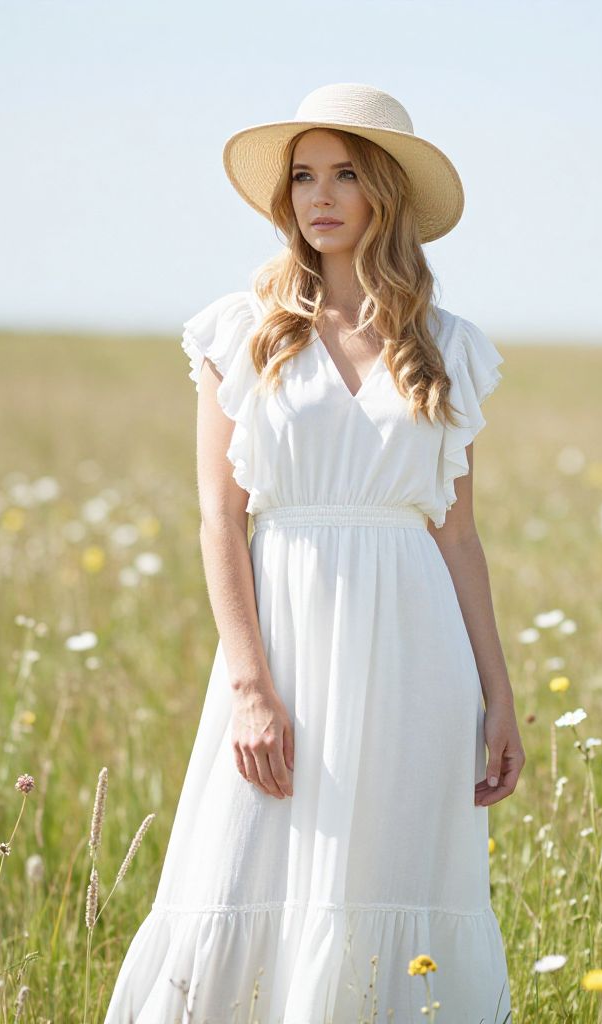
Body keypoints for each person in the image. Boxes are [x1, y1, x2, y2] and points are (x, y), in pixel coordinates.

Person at [104, 81, 524, 1024]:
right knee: (240, 861)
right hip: (283, 641)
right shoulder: (241, 333)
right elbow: (220, 519)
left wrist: (499, 693)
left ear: (385, 194)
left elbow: (458, 534)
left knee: (390, 874)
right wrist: (251, 685)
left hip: (416, 655)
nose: (318, 196)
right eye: (302, 176)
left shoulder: (449, 349)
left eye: (344, 174)